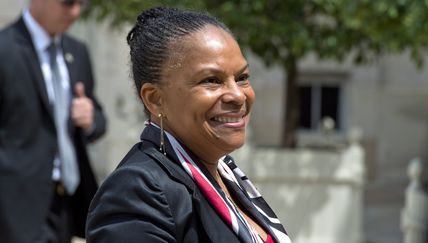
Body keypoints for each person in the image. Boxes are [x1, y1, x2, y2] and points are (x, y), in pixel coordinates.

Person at [86, 6, 290, 243]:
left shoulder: (227, 176)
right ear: (155, 99)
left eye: (242, 78)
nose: (237, 95)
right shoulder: (138, 191)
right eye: (211, 81)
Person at [0, 0, 107, 242]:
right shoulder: (4, 50)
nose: (76, 12)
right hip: (15, 205)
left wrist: (90, 118)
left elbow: (99, 120)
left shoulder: (77, 52)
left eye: (82, 3)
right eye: (68, 3)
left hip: (67, 202)